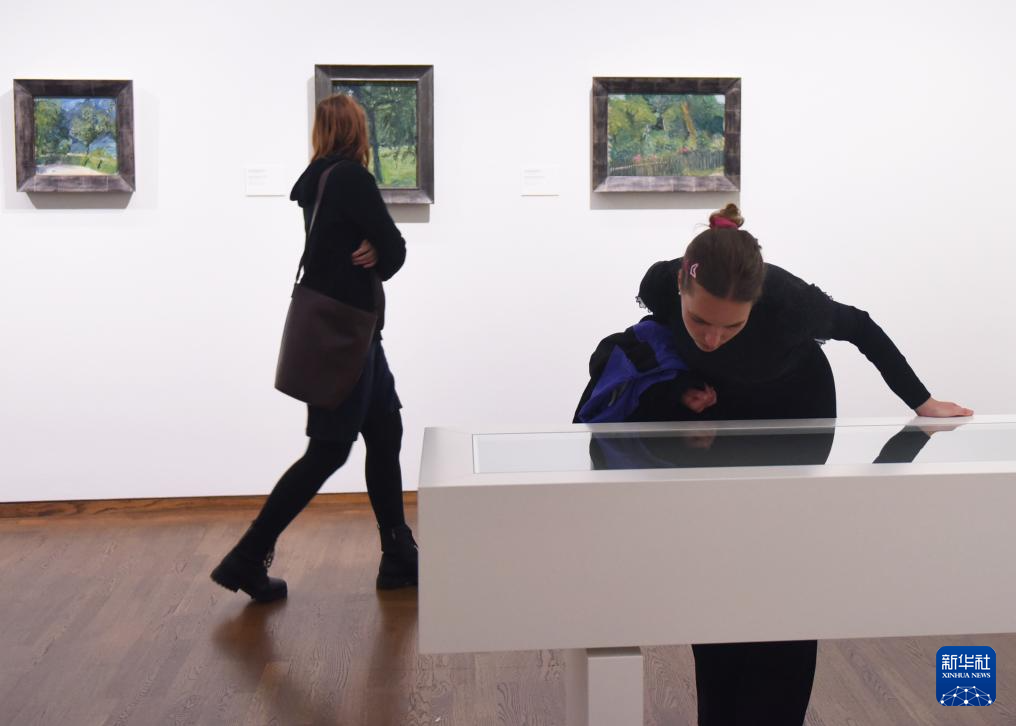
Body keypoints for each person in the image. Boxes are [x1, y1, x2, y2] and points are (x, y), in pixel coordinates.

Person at [631, 203, 972, 725]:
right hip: (725, 405)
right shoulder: (660, 283)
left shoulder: (790, 302)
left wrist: (922, 402)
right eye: (699, 320)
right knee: (718, 553)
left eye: (731, 325)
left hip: (797, 404)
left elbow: (861, 327)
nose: (712, 338)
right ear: (681, 283)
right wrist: (680, 391)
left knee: (783, 551)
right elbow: (653, 346)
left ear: (756, 303)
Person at [211, 94, 417, 603]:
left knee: (386, 430)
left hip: (357, 336)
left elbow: (354, 248)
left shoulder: (317, 180)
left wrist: (373, 247)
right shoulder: (350, 179)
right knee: (328, 451)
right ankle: (247, 556)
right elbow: (394, 252)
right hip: (348, 338)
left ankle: (397, 553)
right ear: (357, 131)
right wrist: (380, 248)